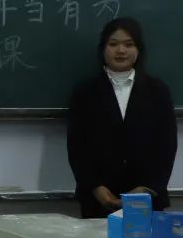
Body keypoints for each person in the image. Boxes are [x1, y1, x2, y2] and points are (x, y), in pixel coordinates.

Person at [67, 17, 177, 218]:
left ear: (138, 49)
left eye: (128, 44)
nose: (121, 50)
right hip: (98, 200)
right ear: (103, 49)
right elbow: (77, 147)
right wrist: (95, 187)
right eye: (113, 44)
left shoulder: (158, 91)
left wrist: (147, 188)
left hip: (147, 199)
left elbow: (167, 145)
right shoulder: (85, 92)